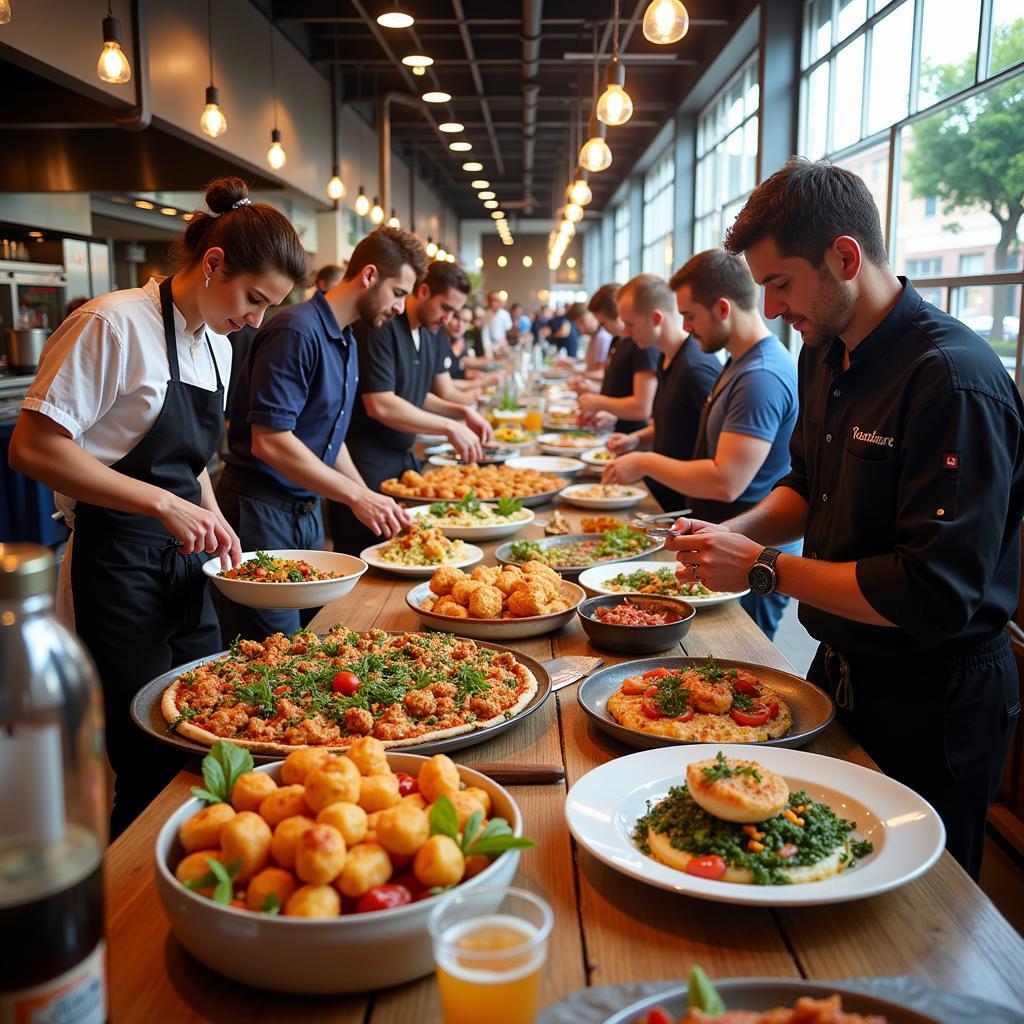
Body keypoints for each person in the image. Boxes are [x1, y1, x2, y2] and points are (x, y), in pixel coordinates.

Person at [666, 158, 1024, 878]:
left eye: (780, 284)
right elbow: (808, 486)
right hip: (839, 669)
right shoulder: (824, 353)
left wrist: (765, 569)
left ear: (845, 257)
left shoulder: (952, 380)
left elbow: (931, 590)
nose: (769, 310)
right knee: (821, 867)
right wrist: (735, 532)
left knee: (921, 914)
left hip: (935, 698)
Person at [9, 176, 306, 836]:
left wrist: (213, 516)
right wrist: (161, 505)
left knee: (202, 723)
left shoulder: (220, 346)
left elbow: (187, 459)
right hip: (116, 562)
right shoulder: (112, 323)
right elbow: (32, 448)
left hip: (186, 563)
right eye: (253, 299)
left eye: (270, 306)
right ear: (213, 263)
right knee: (143, 753)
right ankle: (128, 904)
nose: (257, 320)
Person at [215, 226, 420, 644]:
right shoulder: (296, 330)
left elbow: (330, 436)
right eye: (398, 292)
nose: (402, 307)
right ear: (368, 276)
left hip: (306, 514)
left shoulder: (346, 338)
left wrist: (369, 497)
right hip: (261, 511)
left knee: (311, 644)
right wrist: (356, 496)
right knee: (274, 659)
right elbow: (269, 441)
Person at [604, 250, 798, 639]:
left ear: (723, 308)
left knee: (734, 670)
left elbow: (726, 479)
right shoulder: (739, 362)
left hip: (749, 555)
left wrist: (644, 461)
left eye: (690, 315)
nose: (686, 326)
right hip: (728, 540)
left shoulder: (759, 375)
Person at [327, 260, 493, 555]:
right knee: (368, 563)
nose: (449, 319)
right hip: (364, 465)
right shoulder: (382, 325)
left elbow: (415, 395)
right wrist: (449, 425)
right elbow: (381, 403)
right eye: (446, 308)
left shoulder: (430, 333)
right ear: (424, 291)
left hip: (403, 463)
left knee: (413, 555)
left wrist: (462, 412)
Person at [604, 274, 721, 512]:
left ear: (656, 318)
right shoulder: (666, 358)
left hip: (687, 507)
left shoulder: (696, 368)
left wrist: (643, 461)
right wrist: (638, 439)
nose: (625, 334)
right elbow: (678, 423)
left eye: (630, 324)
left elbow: (715, 446)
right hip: (665, 498)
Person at [576, 283, 660, 434]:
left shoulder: (642, 345)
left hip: (633, 434)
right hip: (617, 431)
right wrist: (607, 411)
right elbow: (617, 389)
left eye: (603, 323)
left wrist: (599, 403)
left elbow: (642, 407)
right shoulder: (617, 341)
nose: (602, 328)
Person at [481, 290, 513, 356]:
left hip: (503, 344)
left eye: (497, 300)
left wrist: (504, 342)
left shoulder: (505, 314)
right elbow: (485, 334)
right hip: (491, 345)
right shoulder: (486, 315)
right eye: (492, 300)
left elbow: (508, 330)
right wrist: (487, 349)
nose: (494, 303)